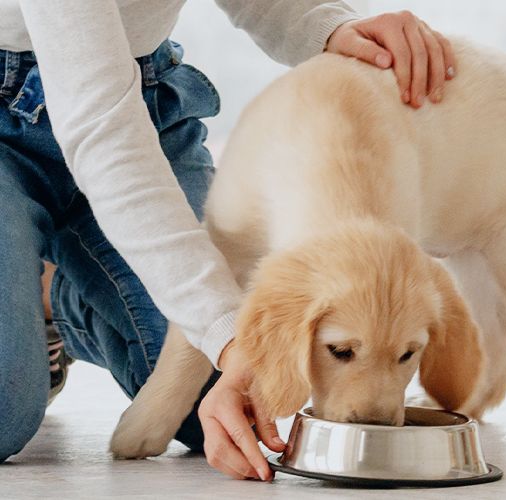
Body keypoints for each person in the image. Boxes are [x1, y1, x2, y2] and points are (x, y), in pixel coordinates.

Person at [0, 0, 454, 480]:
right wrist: (225, 332)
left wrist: (330, 25)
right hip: (75, 126)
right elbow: (104, 135)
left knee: (227, 401)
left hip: (143, 98)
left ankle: (54, 301)